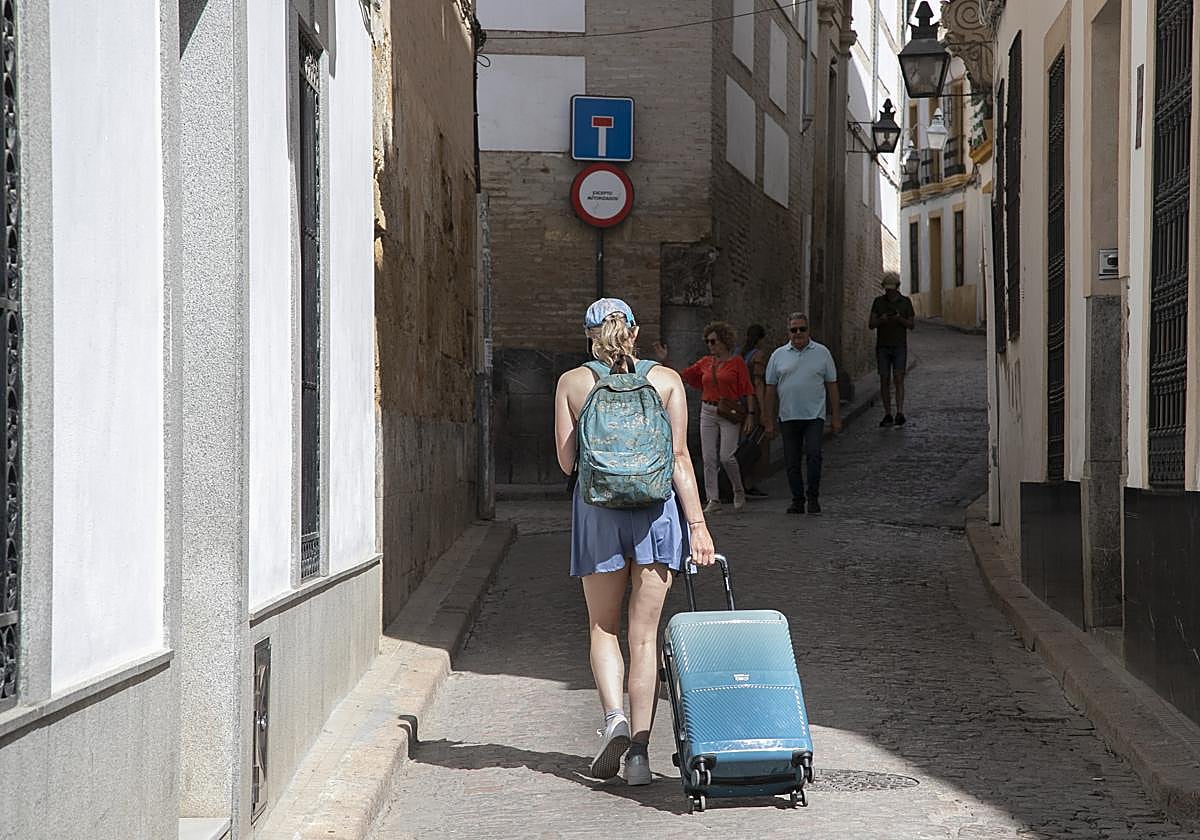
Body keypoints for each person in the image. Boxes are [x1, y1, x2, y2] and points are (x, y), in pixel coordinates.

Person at [554, 298, 716, 787]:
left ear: (589, 335)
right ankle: (640, 757)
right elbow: (682, 458)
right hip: (656, 516)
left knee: (603, 627)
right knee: (644, 636)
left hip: (598, 515)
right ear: (635, 332)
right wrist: (699, 526)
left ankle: (614, 720)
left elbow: (567, 464)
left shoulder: (573, 382)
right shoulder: (666, 380)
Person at [653, 321, 754, 514]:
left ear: (724, 341)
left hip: (728, 412)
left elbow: (748, 389)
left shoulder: (737, 363)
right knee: (708, 458)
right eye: (708, 341)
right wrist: (666, 361)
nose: (710, 345)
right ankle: (713, 499)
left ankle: (738, 489)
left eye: (714, 341)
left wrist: (750, 414)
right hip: (707, 410)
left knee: (727, 456)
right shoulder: (706, 362)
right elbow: (683, 375)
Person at [763, 312, 841, 515]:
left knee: (814, 455)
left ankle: (813, 498)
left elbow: (832, 386)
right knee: (791, 461)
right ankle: (797, 500)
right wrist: (768, 420)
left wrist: (836, 417)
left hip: (814, 416)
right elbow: (770, 389)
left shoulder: (822, 353)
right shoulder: (777, 355)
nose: (798, 333)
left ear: (808, 330)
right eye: (793, 329)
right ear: (788, 332)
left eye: (802, 329)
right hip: (788, 416)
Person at [868, 271, 915, 427]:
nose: (889, 292)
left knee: (899, 378)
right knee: (884, 379)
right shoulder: (878, 302)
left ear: (897, 288)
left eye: (892, 289)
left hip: (899, 346)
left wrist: (898, 318)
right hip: (882, 346)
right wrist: (881, 320)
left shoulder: (905, 302)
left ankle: (900, 412)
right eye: (887, 289)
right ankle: (887, 413)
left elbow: (911, 325)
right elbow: (871, 324)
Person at [738, 324, 770, 497]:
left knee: (741, 443)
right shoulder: (758, 355)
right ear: (761, 339)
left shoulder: (739, 353)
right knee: (755, 444)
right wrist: (764, 411)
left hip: (738, 405)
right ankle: (749, 482)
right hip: (752, 405)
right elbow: (758, 383)